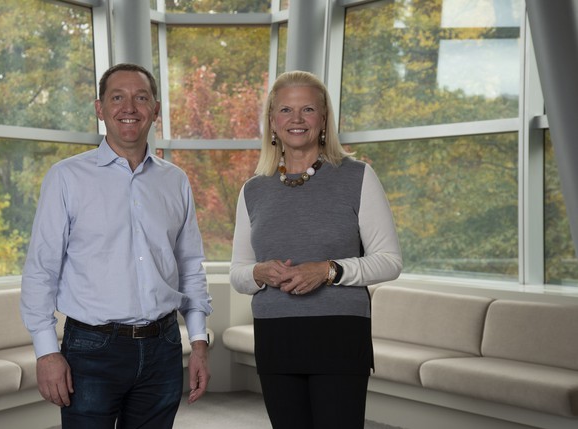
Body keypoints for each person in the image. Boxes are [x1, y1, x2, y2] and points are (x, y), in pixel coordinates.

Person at [20, 63, 212, 429]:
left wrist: (199, 341)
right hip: (91, 351)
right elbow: (41, 269)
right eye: (117, 98)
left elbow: (189, 266)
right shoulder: (66, 177)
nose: (130, 108)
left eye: (141, 98)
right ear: (99, 108)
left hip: (164, 347)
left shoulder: (175, 181)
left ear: (155, 110)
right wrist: (46, 352)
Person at [229, 70, 402, 429]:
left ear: (323, 119)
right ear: (272, 122)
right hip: (276, 337)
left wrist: (328, 271)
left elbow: (389, 262)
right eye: (285, 111)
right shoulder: (253, 189)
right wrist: (259, 273)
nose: (296, 120)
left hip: (338, 335)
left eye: (307, 110)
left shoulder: (358, 176)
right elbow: (239, 273)